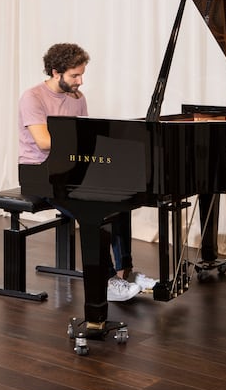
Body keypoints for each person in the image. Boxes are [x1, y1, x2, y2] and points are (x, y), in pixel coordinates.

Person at [18, 42, 157, 302]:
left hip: (70, 171)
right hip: (39, 174)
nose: (80, 81)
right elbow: (44, 142)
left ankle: (123, 273)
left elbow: (85, 139)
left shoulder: (77, 98)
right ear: (55, 71)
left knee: (122, 199)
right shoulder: (33, 97)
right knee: (96, 210)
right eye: (75, 75)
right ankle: (105, 281)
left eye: (82, 74)